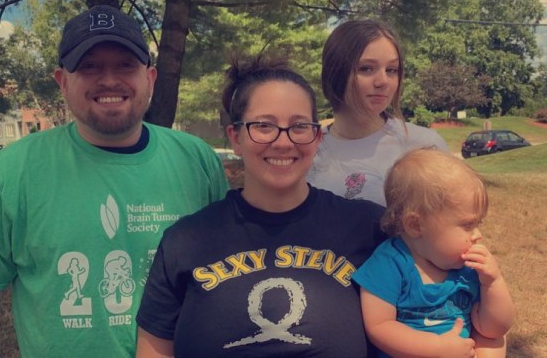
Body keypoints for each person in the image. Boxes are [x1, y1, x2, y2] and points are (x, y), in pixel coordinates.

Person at [0, 4, 229, 358]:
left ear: (149, 78)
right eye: (89, 66)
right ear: (62, 81)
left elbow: (225, 279)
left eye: (125, 65)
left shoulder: (197, 161)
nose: (108, 79)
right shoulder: (11, 172)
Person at [135, 55, 386, 357]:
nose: (283, 142)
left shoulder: (368, 229)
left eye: (299, 126)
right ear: (236, 137)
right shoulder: (185, 241)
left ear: (317, 137)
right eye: (264, 125)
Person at [352, 149, 514, 358]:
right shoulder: (390, 263)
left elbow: (495, 328)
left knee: (495, 342)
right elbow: (379, 327)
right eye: (467, 226)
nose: (478, 235)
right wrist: (437, 348)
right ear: (416, 225)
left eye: (477, 225)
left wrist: (493, 283)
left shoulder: (469, 269)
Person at [308, 19, 449, 206]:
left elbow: (451, 227)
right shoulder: (305, 151)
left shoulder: (425, 146)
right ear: (335, 73)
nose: (383, 81)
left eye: (391, 70)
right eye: (366, 68)